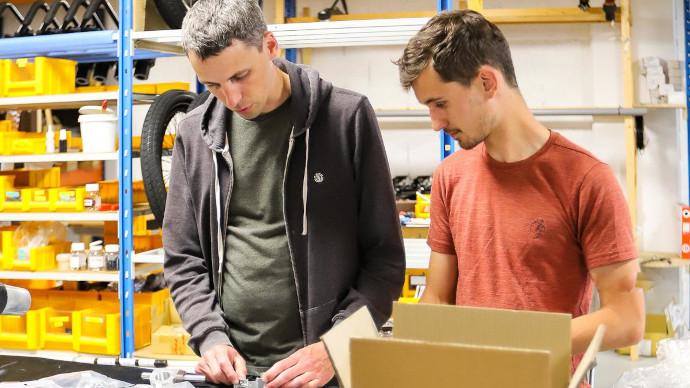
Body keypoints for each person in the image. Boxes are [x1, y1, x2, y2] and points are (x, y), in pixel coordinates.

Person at [162, 0, 405, 386]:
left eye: (241, 76)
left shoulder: (346, 117)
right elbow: (183, 258)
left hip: (325, 372)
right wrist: (209, 337)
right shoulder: (195, 134)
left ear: (270, 46)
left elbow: (385, 262)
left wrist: (336, 347)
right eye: (212, 85)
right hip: (232, 373)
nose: (233, 98)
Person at [396, 9, 644, 375]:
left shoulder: (587, 179)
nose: (435, 124)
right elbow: (437, 296)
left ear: (486, 83)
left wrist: (511, 342)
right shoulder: (450, 177)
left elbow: (626, 318)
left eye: (440, 104)